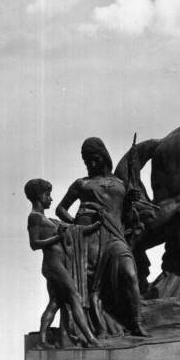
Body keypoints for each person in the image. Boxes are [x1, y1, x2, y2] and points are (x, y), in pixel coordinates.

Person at [56, 137, 149, 338]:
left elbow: (128, 216)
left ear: (104, 156)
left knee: (130, 274)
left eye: (95, 158)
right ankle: (92, 325)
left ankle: (137, 323)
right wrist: (77, 227)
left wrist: (131, 203)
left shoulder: (122, 184)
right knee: (90, 284)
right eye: (87, 160)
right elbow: (60, 209)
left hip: (115, 236)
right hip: (91, 238)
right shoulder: (81, 184)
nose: (91, 164)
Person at [24, 178, 100, 348]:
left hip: (55, 265)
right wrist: (58, 236)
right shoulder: (34, 218)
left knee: (55, 302)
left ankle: (42, 341)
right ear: (38, 196)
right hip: (53, 265)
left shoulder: (48, 219)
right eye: (47, 195)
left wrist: (97, 224)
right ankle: (90, 338)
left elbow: (75, 231)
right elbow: (34, 244)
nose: (50, 199)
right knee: (75, 297)